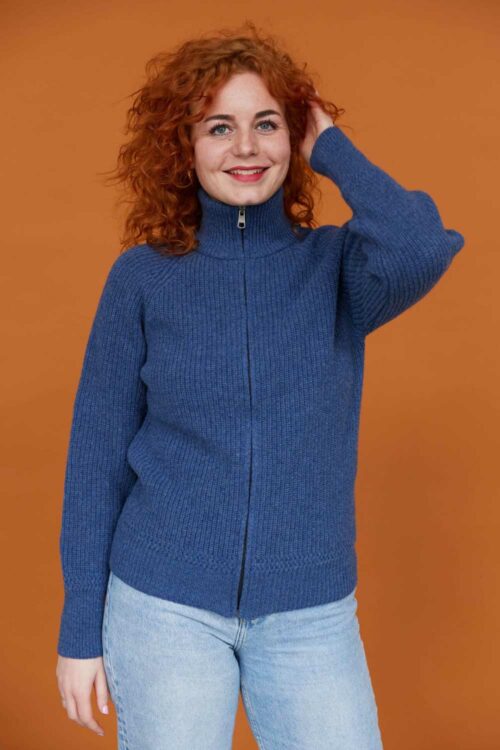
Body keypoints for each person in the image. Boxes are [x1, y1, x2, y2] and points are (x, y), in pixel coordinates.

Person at [55, 22, 465, 749]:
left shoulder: (337, 269)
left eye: (267, 124)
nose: (245, 147)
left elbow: (422, 244)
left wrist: (329, 145)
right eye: (219, 127)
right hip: (163, 607)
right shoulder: (143, 279)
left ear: (294, 137)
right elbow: (96, 462)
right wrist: (79, 632)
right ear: (184, 146)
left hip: (310, 615)